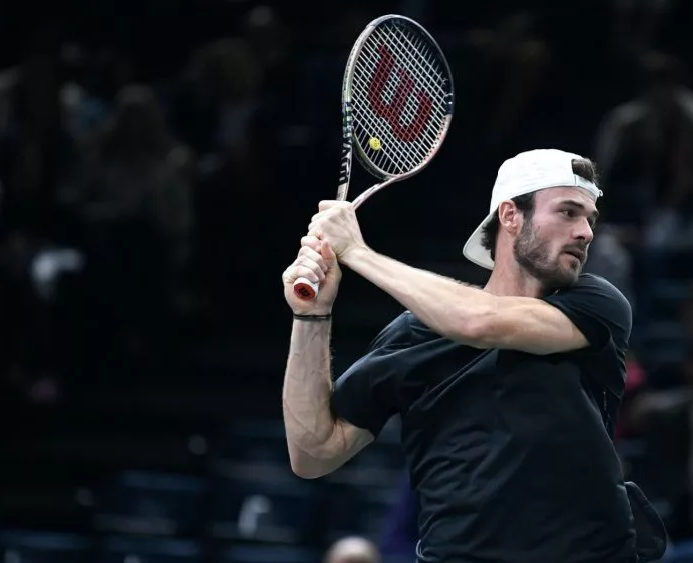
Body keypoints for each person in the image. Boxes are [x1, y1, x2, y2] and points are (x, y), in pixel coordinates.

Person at [281, 149, 665, 563]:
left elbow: (478, 322)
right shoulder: (413, 336)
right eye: (569, 213)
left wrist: (357, 252)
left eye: (590, 218)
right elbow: (313, 452)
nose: (586, 232)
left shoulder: (596, 305)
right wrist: (311, 316)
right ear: (510, 215)